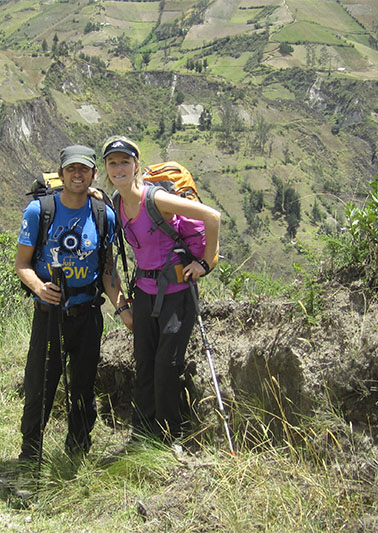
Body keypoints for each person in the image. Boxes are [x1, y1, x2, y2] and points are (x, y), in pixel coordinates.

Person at [14, 144, 132, 463]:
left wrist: (124, 311)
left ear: (94, 174)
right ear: (62, 173)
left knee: (82, 385)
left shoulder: (103, 215)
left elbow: (108, 271)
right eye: (71, 169)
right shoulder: (40, 211)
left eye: (84, 169)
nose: (77, 174)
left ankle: (78, 449)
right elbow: (22, 265)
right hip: (50, 313)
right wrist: (40, 288)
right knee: (41, 383)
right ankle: (31, 452)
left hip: (88, 314)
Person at [99, 135, 220, 443]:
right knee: (144, 362)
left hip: (177, 293)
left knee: (167, 364)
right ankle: (143, 432)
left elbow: (211, 216)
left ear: (136, 165)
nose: (119, 168)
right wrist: (123, 307)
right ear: (106, 169)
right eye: (112, 163)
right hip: (143, 292)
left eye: (125, 162)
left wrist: (205, 264)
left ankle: (170, 435)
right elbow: (109, 262)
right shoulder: (116, 204)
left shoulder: (155, 200)